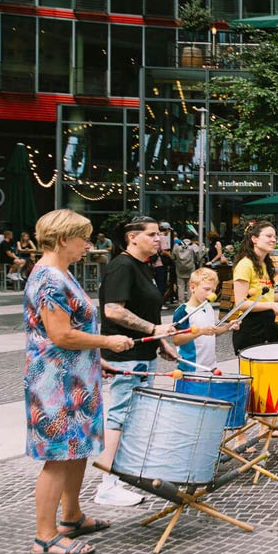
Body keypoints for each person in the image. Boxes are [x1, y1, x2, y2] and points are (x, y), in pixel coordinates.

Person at [24, 209, 135, 554]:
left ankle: (71, 517)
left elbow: (73, 333)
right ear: (62, 239)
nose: (88, 245)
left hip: (75, 378)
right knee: (58, 457)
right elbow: (60, 335)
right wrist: (108, 344)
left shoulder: (61, 274)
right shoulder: (49, 279)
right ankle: (45, 537)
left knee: (77, 451)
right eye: (83, 238)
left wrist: (96, 360)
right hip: (55, 384)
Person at [95, 215, 177, 507]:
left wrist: (160, 342)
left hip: (142, 355)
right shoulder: (122, 265)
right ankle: (107, 484)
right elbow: (114, 311)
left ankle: (123, 475)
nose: (159, 239)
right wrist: (153, 331)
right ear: (132, 237)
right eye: (153, 234)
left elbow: (147, 314)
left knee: (135, 419)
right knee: (119, 417)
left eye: (160, 234)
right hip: (125, 357)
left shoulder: (143, 267)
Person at [230, 220, 278, 354]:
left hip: (268, 324)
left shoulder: (265, 265)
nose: (273, 240)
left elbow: (267, 298)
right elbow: (241, 303)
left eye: (275, 237)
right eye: (269, 236)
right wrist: (272, 306)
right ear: (254, 239)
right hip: (251, 327)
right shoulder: (245, 265)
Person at [171, 267, 233, 374]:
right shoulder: (183, 311)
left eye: (213, 290)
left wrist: (227, 327)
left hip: (210, 367)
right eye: (206, 289)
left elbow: (211, 332)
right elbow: (177, 340)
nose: (210, 294)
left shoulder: (208, 307)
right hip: (191, 368)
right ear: (192, 287)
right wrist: (201, 332)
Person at [173, 233, 201, 301]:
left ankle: (180, 302)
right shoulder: (193, 246)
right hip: (191, 267)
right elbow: (198, 257)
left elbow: (173, 256)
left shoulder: (177, 245)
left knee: (180, 286)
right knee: (190, 285)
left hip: (179, 268)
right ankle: (189, 301)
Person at [153, 221, 174, 302]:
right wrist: (172, 257)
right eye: (168, 230)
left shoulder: (155, 237)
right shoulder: (162, 238)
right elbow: (164, 251)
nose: (169, 232)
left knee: (156, 283)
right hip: (161, 263)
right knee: (161, 284)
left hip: (154, 263)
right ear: (166, 230)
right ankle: (160, 302)